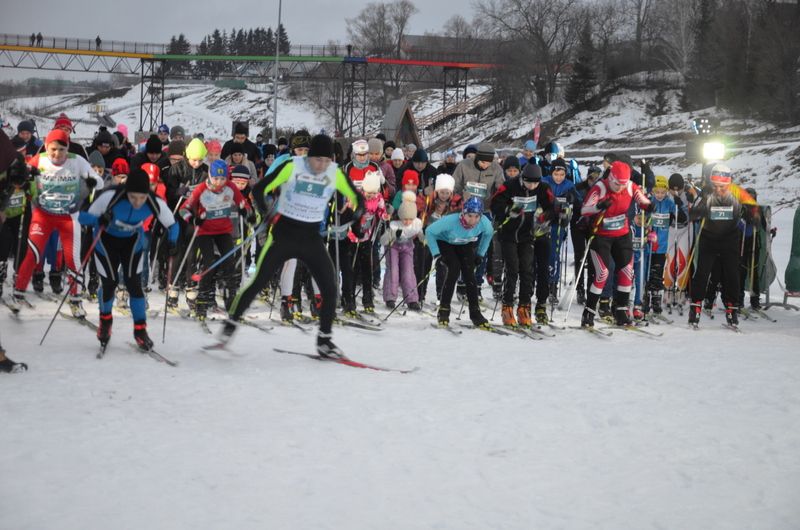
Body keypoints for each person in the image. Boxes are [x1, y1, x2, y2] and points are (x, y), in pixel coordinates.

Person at [216, 134, 363, 358]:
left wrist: (357, 215)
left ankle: (324, 340)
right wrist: (266, 212)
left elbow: (357, 198)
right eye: (317, 160)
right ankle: (231, 323)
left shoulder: (335, 173)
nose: (321, 165)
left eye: (326, 160)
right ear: (309, 157)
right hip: (283, 234)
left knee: (330, 287)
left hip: (312, 238)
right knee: (258, 282)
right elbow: (259, 190)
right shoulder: (292, 166)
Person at [79, 168, 178, 351]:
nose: (138, 202)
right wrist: (99, 220)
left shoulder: (154, 201)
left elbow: (173, 224)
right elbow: (83, 217)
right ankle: (105, 322)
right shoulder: (110, 196)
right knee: (109, 283)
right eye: (133, 197)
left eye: (141, 198)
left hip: (132, 242)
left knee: (134, 284)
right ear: (126, 191)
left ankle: (140, 331)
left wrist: (172, 241)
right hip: (105, 242)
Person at [10, 129, 102, 315]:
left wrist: (91, 182)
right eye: (53, 149)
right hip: (43, 216)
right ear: (46, 145)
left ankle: (75, 300)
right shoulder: (39, 159)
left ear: (67, 148)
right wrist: (24, 178)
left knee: (72, 259)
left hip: (68, 217)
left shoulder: (77, 161)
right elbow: (19, 177)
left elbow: (99, 182)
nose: (57, 154)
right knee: (33, 254)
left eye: (62, 149)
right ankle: (18, 294)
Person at [579, 160, 652, 328]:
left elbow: (641, 199)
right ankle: (589, 312)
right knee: (602, 273)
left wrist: (648, 206)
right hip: (601, 236)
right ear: (611, 179)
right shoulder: (601, 187)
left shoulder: (629, 186)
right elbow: (585, 209)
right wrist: (599, 206)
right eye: (617, 184)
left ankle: (621, 311)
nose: (620, 188)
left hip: (622, 234)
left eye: (623, 184)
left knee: (627, 270)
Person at [179, 160, 253, 320]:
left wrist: (246, 212)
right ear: (210, 176)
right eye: (216, 179)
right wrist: (193, 219)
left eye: (223, 179)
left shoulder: (230, 187)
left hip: (224, 231)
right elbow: (183, 209)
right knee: (210, 264)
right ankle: (202, 302)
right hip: (205, 232)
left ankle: (231, 302)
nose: (219, 183)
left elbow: (243, 204)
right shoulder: (201, 189)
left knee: (230, 265)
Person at [687, 164, 758, 328]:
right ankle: (695, 306)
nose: (718, 189)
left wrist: (751, 215)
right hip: (709, 239)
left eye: (722, 186)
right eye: (715, 185)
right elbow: (692, 213)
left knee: (732, 274)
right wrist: (699, 211)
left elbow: (754, 207)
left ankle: (732, 308)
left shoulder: (737, 191)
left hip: (729, 239)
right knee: (702, 273)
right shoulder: (706, 192)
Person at [490, 162, 555, 327]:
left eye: (535, 183)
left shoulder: (542, 188)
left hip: (527, 235)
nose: (532, 186)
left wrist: (548, 215)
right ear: (522, 179)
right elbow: (495, 203)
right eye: (528, 183)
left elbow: (552, 206)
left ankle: (524, 307)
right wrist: (508, 210)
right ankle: (507, 307)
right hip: (508, 235)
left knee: (527, 271)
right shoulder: (510, 185)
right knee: (512, 270)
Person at [426, 196, 494, 328]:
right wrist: (436, 254)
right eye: (469, 215)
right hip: (445, 242)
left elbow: (489, 234)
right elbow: (429, 231)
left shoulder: (484, 223)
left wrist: (480, 254)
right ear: (463, 213)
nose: (473, 220)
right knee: (454, 269)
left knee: (470, 274)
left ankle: (475, 313)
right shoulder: (451, 221)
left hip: (464, 243)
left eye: (476, 216)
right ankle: (444, 310)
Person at [381, 193, 424, 310]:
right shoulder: (395, 224)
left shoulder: (416, 223)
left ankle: (412, 299)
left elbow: (421, 235)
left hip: (407, 247)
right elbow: (383, 241)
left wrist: (424, 240)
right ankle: (390, 297)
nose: (407, 222)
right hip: (393, 247)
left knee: (408, 271)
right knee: (393, 270)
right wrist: (393, 235)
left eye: (410, 219)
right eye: (405, 219)